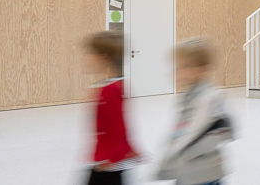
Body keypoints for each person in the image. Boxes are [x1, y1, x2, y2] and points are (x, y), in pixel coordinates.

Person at [155, 38, 234, 185]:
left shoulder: (209, 97)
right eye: (176, 67)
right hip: (188, 170)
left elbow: (197, 132)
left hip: (203, 172)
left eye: (184, 67)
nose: (177, 72)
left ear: (202, 69)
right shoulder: (187, 96)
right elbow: (181, 130)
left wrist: (171, 157)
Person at [84, 31, 140, 185]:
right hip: (105, 159)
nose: (87, 58)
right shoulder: (109, 86)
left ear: (103, 58)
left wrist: (112, 157)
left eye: (91, 53)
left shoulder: (111, 89)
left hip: (109, 163)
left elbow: (117, 126)